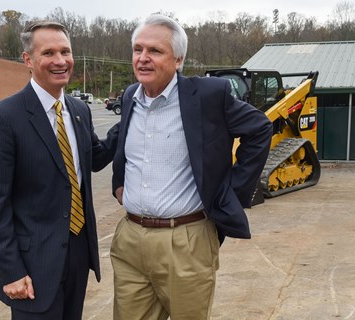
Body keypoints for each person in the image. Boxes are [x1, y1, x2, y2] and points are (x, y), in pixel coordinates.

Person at [110, 14, 273, 320]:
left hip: (186, 239)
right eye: (137, 49)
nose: (143, 58)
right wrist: (119, 182)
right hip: (130, 239)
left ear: (178, 59)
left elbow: (260, 129)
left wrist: (231, 195)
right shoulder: (131, 96)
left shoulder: (209, 95)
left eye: (155, 51)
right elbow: (126, 147)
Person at [0, 20, 118, 320]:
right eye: (49, 53)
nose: (60, 61)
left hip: (78, 252)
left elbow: (94, 158)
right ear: (28, 59)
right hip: (32, 264)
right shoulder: (3, 118)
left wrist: (130, 116)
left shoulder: (79, 111)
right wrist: (10, 270)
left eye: (65, 51)